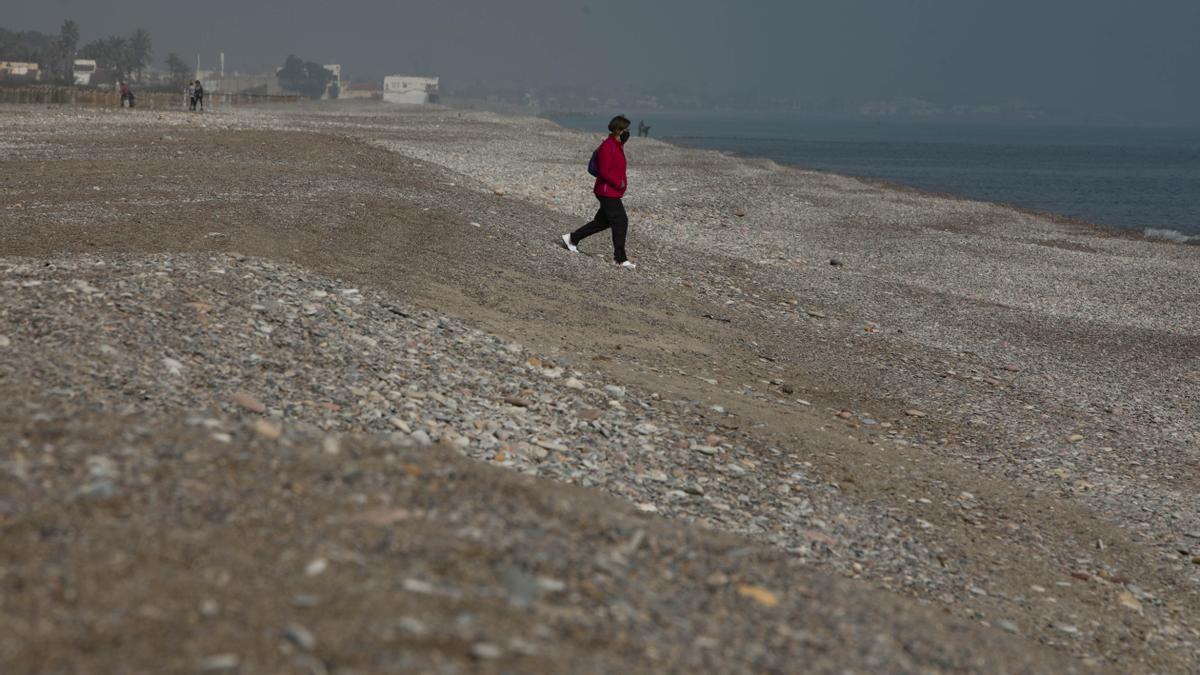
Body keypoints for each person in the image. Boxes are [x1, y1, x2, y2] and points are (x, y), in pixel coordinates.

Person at [562, 115, 636, 269]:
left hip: (612, 191)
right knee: (621, 221)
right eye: (626, 129)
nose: (628, 132)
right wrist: (619, 183)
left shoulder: (617, 145)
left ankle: (572, 238)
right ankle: (620, 259)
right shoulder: (607, 147)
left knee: (603, 222)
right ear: (618, 130)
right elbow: (604, 171)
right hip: (606, 192)